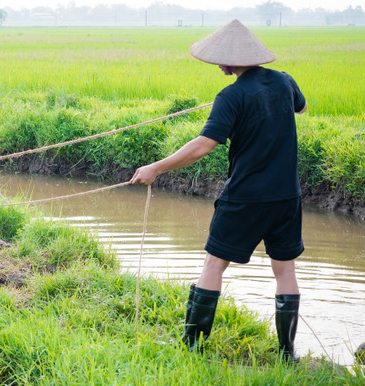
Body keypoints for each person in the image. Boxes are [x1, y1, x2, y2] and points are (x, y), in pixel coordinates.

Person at [131, 19, 307, 361]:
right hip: (287, 196)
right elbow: (301, 108)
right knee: (285, 270)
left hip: (245, 197)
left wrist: (156, 168)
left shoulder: (231, 95)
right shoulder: (284, 82)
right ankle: (287, 354)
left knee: (214, 264)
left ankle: (192, 346)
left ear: (226, 61)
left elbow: (203, 145)